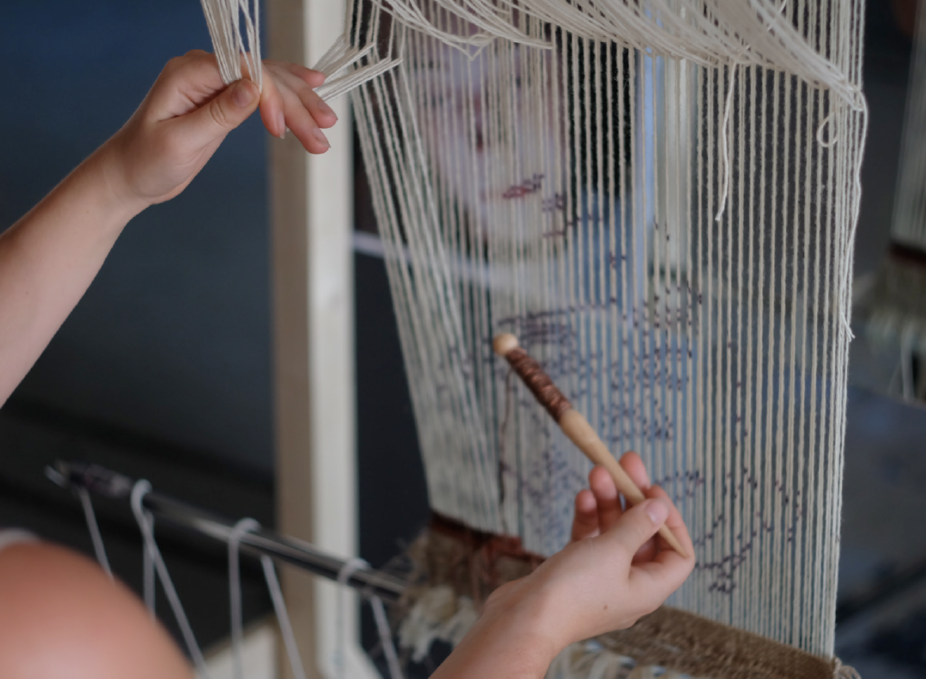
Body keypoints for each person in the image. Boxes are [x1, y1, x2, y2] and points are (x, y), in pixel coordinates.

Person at [0, 51, 695, 679]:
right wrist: (531, 621)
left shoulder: (668, 297)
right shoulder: (47, 631)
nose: (491, 133)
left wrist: (122, 181)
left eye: (516, 80)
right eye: (437, 97)